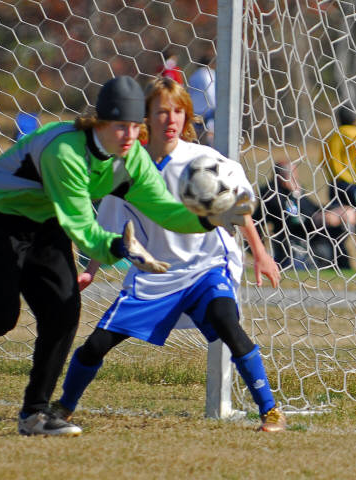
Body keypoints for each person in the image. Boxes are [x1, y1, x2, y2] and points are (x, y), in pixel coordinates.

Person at [0, 76, 253, 436]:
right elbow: (83, 229)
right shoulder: (65, 151)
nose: (130, 135)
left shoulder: (132, 158)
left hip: (46, 217)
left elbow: (164, 209)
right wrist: (121, 248)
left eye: (136, 126)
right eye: (121, 126)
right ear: (99, 123)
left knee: (63, 313)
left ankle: (35, 414)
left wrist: (209, 219)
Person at [53, 77, 287, 433]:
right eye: (162, 111)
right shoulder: (127, 167)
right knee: (97, 344)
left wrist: (260, 253)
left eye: (179, 111)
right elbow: (112, 225)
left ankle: (270, 410)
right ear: (146, 116)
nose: (171, 119)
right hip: (157, 274)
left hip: (208, 266)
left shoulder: (205, 161)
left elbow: (238, 207)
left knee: (226, 320)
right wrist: (91, 270)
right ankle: (63, 407)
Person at [254, 160, 356, 270]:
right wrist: (318, 218)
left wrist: (332, 210)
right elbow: (292, 219)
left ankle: (342, 264)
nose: (295, 179)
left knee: (347, 213)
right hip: (300, 232)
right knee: (332, 220)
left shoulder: (297, 192)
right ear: (281, 177)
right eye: (292, 175)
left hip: (312, 225)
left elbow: (312, 208)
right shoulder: (272, 195)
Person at [322, 105, 356, 267]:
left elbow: (324, 162)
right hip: (355, 186)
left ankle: (339, 259)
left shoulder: (331, 137)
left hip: (335, 185)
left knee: (336, 223)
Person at [187, 55, 216, 146]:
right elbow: (210, 91)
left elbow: (190, 92)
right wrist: (215, 107)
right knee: (209, 136)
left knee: (196, 137)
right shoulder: (209, 74)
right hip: (207, 110)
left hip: (195, 110)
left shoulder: (194, 75)